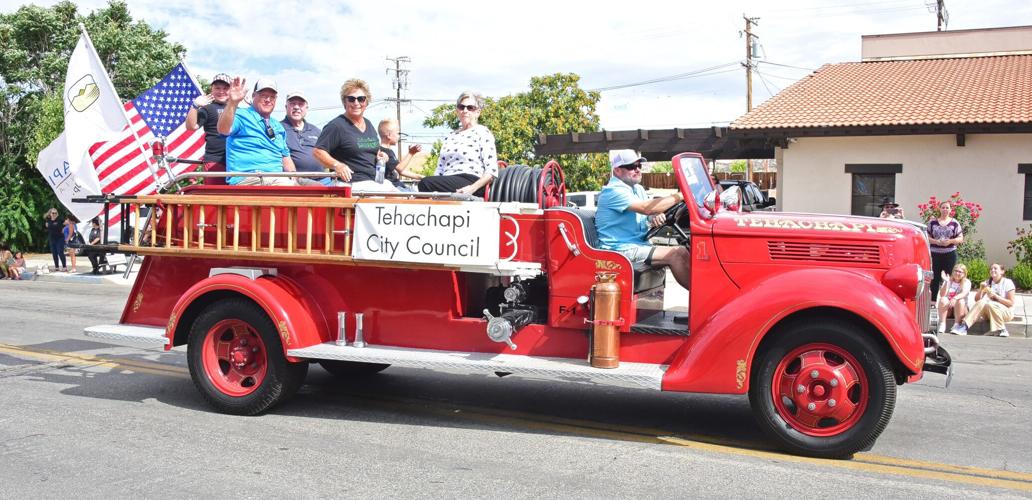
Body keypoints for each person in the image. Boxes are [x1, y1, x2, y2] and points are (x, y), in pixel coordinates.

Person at [595, 149, 691, 290]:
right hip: (619, 250)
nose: (638, 170)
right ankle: (704, 300)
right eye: (631, 167)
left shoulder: (638, 189)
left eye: (639, 166)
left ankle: (703, 296)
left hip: (639, 245)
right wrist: (681, 195)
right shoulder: (613, 191)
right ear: (617, 171)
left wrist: (655, 216)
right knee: (676, 254)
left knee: (685, 250)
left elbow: (649, 212)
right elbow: (646, 208)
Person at [313, 79, 395, 192]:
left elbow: (372, 150)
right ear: (345, 102)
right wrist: (337, 165)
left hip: (376, 181)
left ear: (366, 102)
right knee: (397, 200)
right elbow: (318, 152)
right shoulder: (336, 126)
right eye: (351, 99)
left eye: (361, 99)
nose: (356, 103)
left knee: (408, 199)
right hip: (353, 184)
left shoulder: (369, 124)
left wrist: (381, 155)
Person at [217, 77, 296, 186]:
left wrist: (295, 177)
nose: (268, 99)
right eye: (264, 95)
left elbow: (286, 157)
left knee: (318, 188)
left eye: (272, 97)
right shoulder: (241, 115)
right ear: (254, 96)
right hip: (251, 179)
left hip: (278, 179)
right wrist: (232, 103)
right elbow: (223, 129)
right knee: (292, 189)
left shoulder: (278, 126)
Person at [417, 91, 497, 197]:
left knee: (425, 183)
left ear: (477, 112)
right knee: (425, 184)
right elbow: (440, 167)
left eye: (470, 107)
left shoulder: (483, 133)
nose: (465, 110)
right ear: (457, 111)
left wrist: (472, 188)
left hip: (471, 180)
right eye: (461, 107)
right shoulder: (450, 136)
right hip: (448, 179)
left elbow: (491, 171)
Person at [185, 73, 231, 185]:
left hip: (236, 161)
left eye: (225, 88)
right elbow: (191, 126)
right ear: (212, 89)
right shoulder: (207, 108)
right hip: (215, 161)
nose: (221, 91)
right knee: (215, 198)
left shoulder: (237, 109)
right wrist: (195, 106)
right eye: (217, 88)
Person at [280, 90, 328, 186]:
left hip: (325, 179)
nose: (296, 107)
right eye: (293, 104)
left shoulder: (316, 131)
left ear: (306, 108)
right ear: (286, 107)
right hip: (296, 182)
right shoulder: (278, 129)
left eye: (300, 104)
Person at [952, 263, 1015, 337]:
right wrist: (981, 289)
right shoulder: (988, 282)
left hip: (1005, 312)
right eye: (991, 269)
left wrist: (996, 297)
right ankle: (964, 326)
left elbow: (1011, 303)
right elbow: (977, 300)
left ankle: (1001, 329)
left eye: (995, 268)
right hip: (988, 312)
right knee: (983, 302)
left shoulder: (1007, 282)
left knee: (989, 303)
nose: (992, 270)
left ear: (1002, 271)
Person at [927, 199, 963, 299]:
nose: (945, 209)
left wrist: (950, 241)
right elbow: (927, 237)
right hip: (935, 254)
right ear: (939, 209)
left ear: (950, 210)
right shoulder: (932, 223)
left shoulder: (955, 223)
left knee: (950, 277)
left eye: (947, 208)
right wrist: (936, 241)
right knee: (934, 277)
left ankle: (948, 299)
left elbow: (960, 238)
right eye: (943, 207)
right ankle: (933, 300)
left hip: (949, 254)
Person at [378, 118, 423, 191]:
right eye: (398, 133)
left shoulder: (389, 151)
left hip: (397, 185)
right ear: (389, 135)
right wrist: (411, 153)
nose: (399, 136)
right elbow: (400, 168)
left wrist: (419, 176)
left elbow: (401, 171)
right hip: (393, 187)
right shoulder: (383, 151)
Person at [936, 263, 971, 334]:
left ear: (964, 274)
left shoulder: (967, 282)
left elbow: (964, 293)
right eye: (955, 271)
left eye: (960, 272)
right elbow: (942, 294)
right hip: (949, 308)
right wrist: (946, 282)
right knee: (943, 299)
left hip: (961, 308)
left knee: (960, 301)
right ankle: (942, 324)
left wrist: (954, 298)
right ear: (953, 272)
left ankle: (957, 325)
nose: (957, 273)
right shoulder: (949, 280)